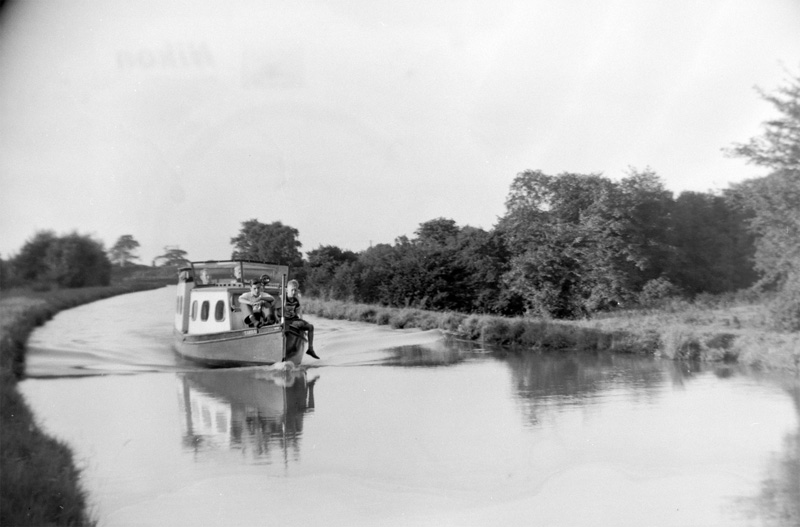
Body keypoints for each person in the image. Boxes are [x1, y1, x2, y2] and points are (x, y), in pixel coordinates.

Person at [281, 279, 319, 359]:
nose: (293, 292)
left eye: (295, 290)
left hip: (293, 319)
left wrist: (300, 321)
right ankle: (283, 350)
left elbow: (297, 312)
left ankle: (310, 349)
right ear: (287, 290)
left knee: (310, 327)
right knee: (287, 329)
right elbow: (278, 310)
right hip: (285, 320)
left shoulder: (295, 300)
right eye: (292, 290)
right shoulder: (283, 299)